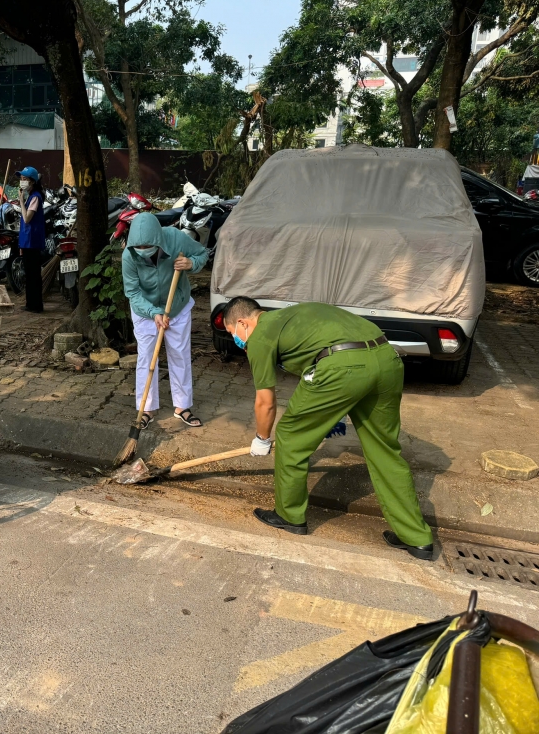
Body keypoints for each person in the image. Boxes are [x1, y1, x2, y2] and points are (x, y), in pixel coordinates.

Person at [222, 297, 434, 560]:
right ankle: (416, 537)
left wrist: (262, 438)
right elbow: (328, 355)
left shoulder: (261, 336)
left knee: (290, 435)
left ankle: (289, 515)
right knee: (385, 450)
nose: (238, 341)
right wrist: (333, 412)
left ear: (242, 322)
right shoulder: (296, 316)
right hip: (386, 359)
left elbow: (265, 402)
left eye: (234, 334)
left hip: (343, 367)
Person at [123, 212, 209, 429]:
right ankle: (147, 409)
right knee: (147, 358)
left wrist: (191, 264)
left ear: (158, 240)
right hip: (145, 311)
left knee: (179, 354)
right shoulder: (129, 255)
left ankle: (182, 406)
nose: (143, 251)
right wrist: (154, 312)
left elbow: (202, 254)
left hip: (177, 306)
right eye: (139, 247)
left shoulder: (175, 238)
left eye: (148, 246)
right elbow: (132, 293)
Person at [16, 166, 46, 312]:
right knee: (29, 274)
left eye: (25, 179)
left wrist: (21, 201)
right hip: (28, 241)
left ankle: (36, 305)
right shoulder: (31, 197)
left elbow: (27, 218)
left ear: (33, 182)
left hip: (32, 241)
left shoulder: (35, 197)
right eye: (21, 179)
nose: (22, 182)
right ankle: (30, 304)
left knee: (33, 275)